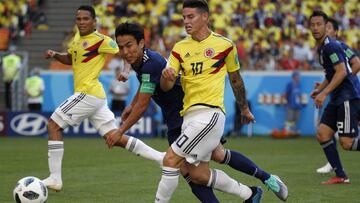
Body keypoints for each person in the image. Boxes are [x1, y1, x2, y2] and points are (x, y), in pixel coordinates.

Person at [106, 22, 288, 202]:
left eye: (129, 46)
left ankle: (255, 189)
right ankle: (259, 186)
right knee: (215, 158)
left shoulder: (151, 64)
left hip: (184, 117)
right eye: (121, 47)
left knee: (189, 171)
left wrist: (120, 131)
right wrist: (131, 103)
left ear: (141, 43)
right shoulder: (142, 61)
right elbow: (147, 85)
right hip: (179, 118)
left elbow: (143, 104)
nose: (125, 52)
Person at [158, 1, 287, 202]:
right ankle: (254, 191)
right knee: (199, 175)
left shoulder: (225, 45)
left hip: (210, 114)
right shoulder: (179, 48)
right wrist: (166, 77)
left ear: (205, 17)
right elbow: (166, 86)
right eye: (184, 17)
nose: (186, 21)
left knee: (170, 159)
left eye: (190, 16)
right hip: (189, 117)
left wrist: (244, 108)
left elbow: (236, 79)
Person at [42, 5, 164, 192]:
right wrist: (56, 55)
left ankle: (55, 178)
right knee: (114, 137)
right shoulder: (76, 39)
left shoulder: (100, 40)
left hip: (88, 93)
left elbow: (123, 53)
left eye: (85, 19)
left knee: (53, 125)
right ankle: (161, 158)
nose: (81, 22)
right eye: (79, 19)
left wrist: (125, 71)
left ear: (94, 22)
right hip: (95, 97)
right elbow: (71, 59)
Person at [309, 10, 360, 184]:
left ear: (326, 27)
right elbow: (332, 73)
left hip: (346, 97)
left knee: (347, 143)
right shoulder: (323, 47)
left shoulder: (331, 46)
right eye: (313, 25)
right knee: (323, 133)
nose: (316, 28)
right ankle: (340, 175)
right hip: (337, 97)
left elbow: (342, 71)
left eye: (319, 25)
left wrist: (324, 93)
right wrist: (320, 89)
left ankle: (340, 175)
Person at [284, 70, 303, 135]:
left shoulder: (299, 84)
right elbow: (286, 94)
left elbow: (299, 94)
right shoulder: (290, 84)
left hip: (297, 105)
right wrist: (288, 102)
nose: (298, 77)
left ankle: (293, 131)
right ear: (294, 77)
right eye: (297, 76)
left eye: (298, 76)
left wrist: (301, 102)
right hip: (291, 105)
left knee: (296, 119)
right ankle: (288, 130)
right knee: (290, 118)